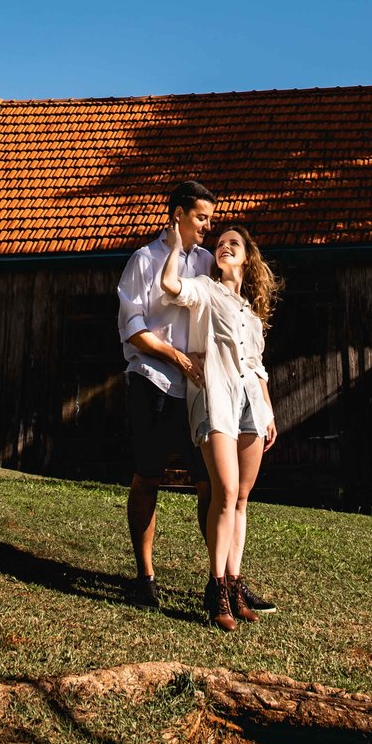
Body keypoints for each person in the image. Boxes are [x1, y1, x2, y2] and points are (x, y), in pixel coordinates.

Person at [161, 220, 280, 631]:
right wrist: (176, 247)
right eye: (220, 243)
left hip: (251, 404)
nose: (224, 246)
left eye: (234, 243)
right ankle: (215, 587)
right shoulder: (205, 289)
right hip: (215, 397)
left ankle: (234, 582)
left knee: (243, 497)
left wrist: (268, 411)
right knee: (225, 491)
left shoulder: (250, 311)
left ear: (247, 257)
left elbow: (258, 365)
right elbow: (172, 288)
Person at [116, 179, 216, 608]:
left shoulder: (210, 262)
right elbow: (133, 328)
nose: (207, 227)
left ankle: (220, 579)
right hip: (152, 383)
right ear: (177, 213)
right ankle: (145, 578)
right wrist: (176, 357)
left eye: (211, 219)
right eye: (201, 217)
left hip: (199, 391)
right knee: (148, 477)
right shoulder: (144, 259)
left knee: (210, 482)